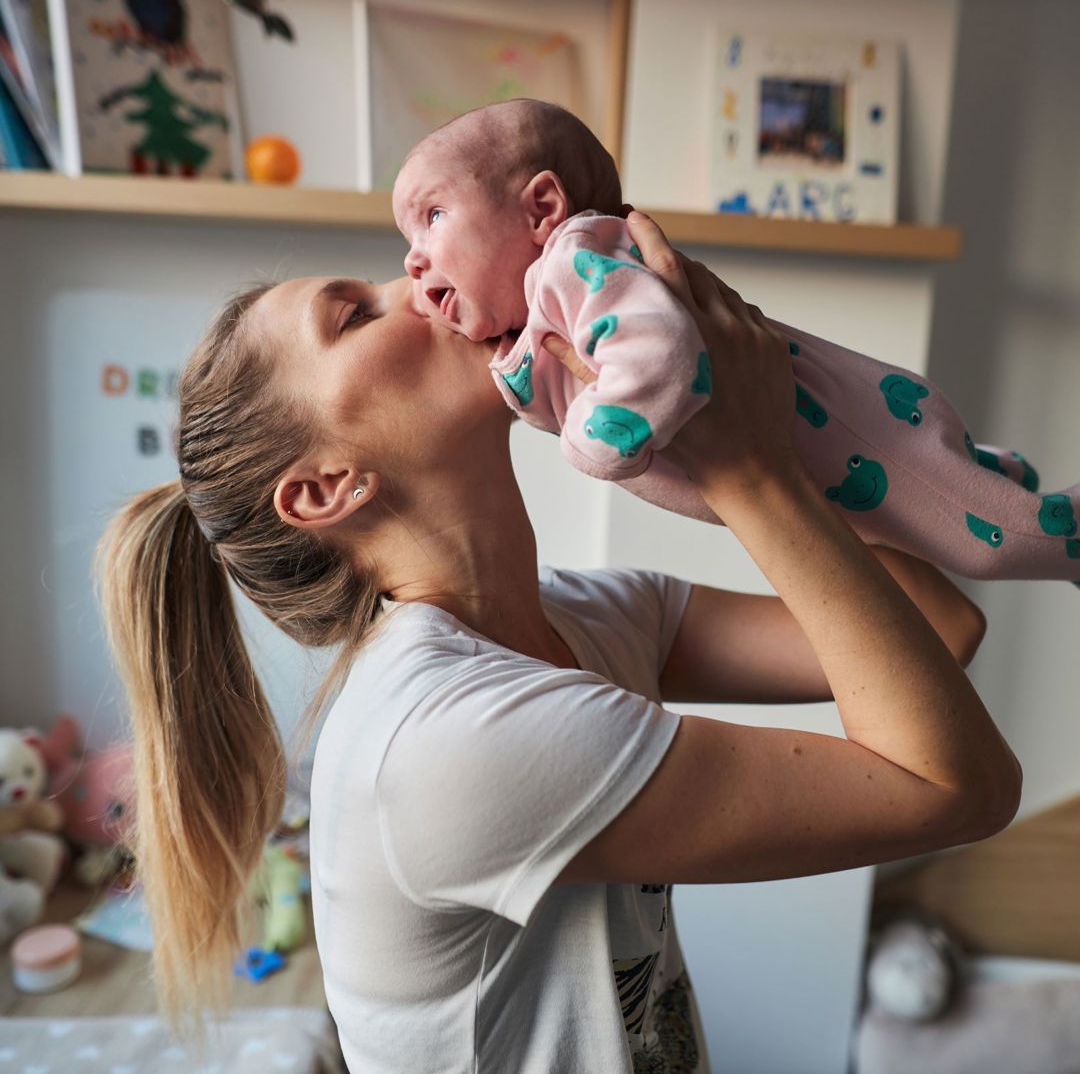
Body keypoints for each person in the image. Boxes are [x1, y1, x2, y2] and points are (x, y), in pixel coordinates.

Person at [96, 212, 1020, 1073]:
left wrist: (727, 425)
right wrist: (751, 470)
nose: (416, 275)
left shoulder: (577, 618)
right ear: (328, 487)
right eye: (355, 314)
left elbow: (940, 626)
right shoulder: (445, 740)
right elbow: (955, 788)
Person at [393, 99, 1080, 582]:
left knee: (990, 546)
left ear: (543, 210)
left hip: (855, 437)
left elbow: (657, 354)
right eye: (408, 239)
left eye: (433, 217)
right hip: (839, 461)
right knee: (922, 516)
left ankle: (1065, 533)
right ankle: (988, 469)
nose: (413, 259)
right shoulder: (548, 300)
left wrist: (588, 442)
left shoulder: (577, 261)